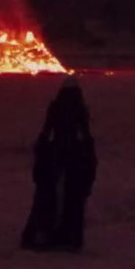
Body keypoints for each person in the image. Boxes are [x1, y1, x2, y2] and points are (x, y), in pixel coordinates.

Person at [20, 76, 98, 252]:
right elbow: (84, 133)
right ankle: (66, 236)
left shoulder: (57, 108)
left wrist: (43, 149)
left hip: (58, 153)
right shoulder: (78, 109)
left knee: (49, 197)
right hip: (70, 155)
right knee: (68, 198)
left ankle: (45, 235)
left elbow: (48, 130)